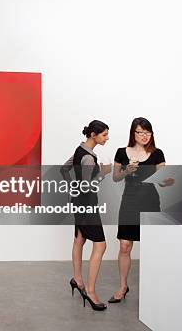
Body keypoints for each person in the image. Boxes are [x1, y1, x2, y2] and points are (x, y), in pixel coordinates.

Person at [109, 117, 174, 303]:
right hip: (129, 201)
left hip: (150, 201)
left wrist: (167, 181)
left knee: (153, 246)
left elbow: (163, 179)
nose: (145, 136)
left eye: (148, 132)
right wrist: (127, 171)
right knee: (124, 245)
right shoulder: (122, 152)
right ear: (133, 133)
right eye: (141, 132)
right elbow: (115, 178)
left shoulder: (157, 153)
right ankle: (123, 287)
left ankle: (155, 286)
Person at [61, 120, 111, 311]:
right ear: (93, 135)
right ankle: (90, 292)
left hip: (78, 204)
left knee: (79, 240)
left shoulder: (79, 151)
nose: (107, 138)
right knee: (101, 245)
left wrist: (70, 188)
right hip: (87, 206)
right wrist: (104, 173)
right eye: (104, 134)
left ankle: (78, 280)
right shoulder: (89, 158)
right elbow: (89, 186)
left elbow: (63, 169)